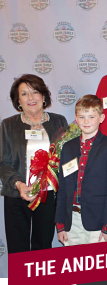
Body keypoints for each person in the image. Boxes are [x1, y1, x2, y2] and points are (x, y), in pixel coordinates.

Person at [0, 74, 68, 253]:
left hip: (48, 196)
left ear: (44, 96)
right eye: (24, 94)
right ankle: (21, 282)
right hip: (17, 195)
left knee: (42, 248)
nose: (31, 98)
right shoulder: (8, 125)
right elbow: (3, 163)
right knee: (17, 249)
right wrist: (18, 184)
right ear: (18, 101)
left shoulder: (59, 122)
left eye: (35, 92)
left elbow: (66, 159)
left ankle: (38, 282)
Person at [55, 95, 107, 246]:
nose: (86, 121)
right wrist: (60, 223)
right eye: (82, 117)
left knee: (98, 267)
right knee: (75, 267)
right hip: (72, 220)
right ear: (75, 118)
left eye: (91, 116)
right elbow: (63, 188)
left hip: (98, 220)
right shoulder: (68, 148)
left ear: (101, 118)